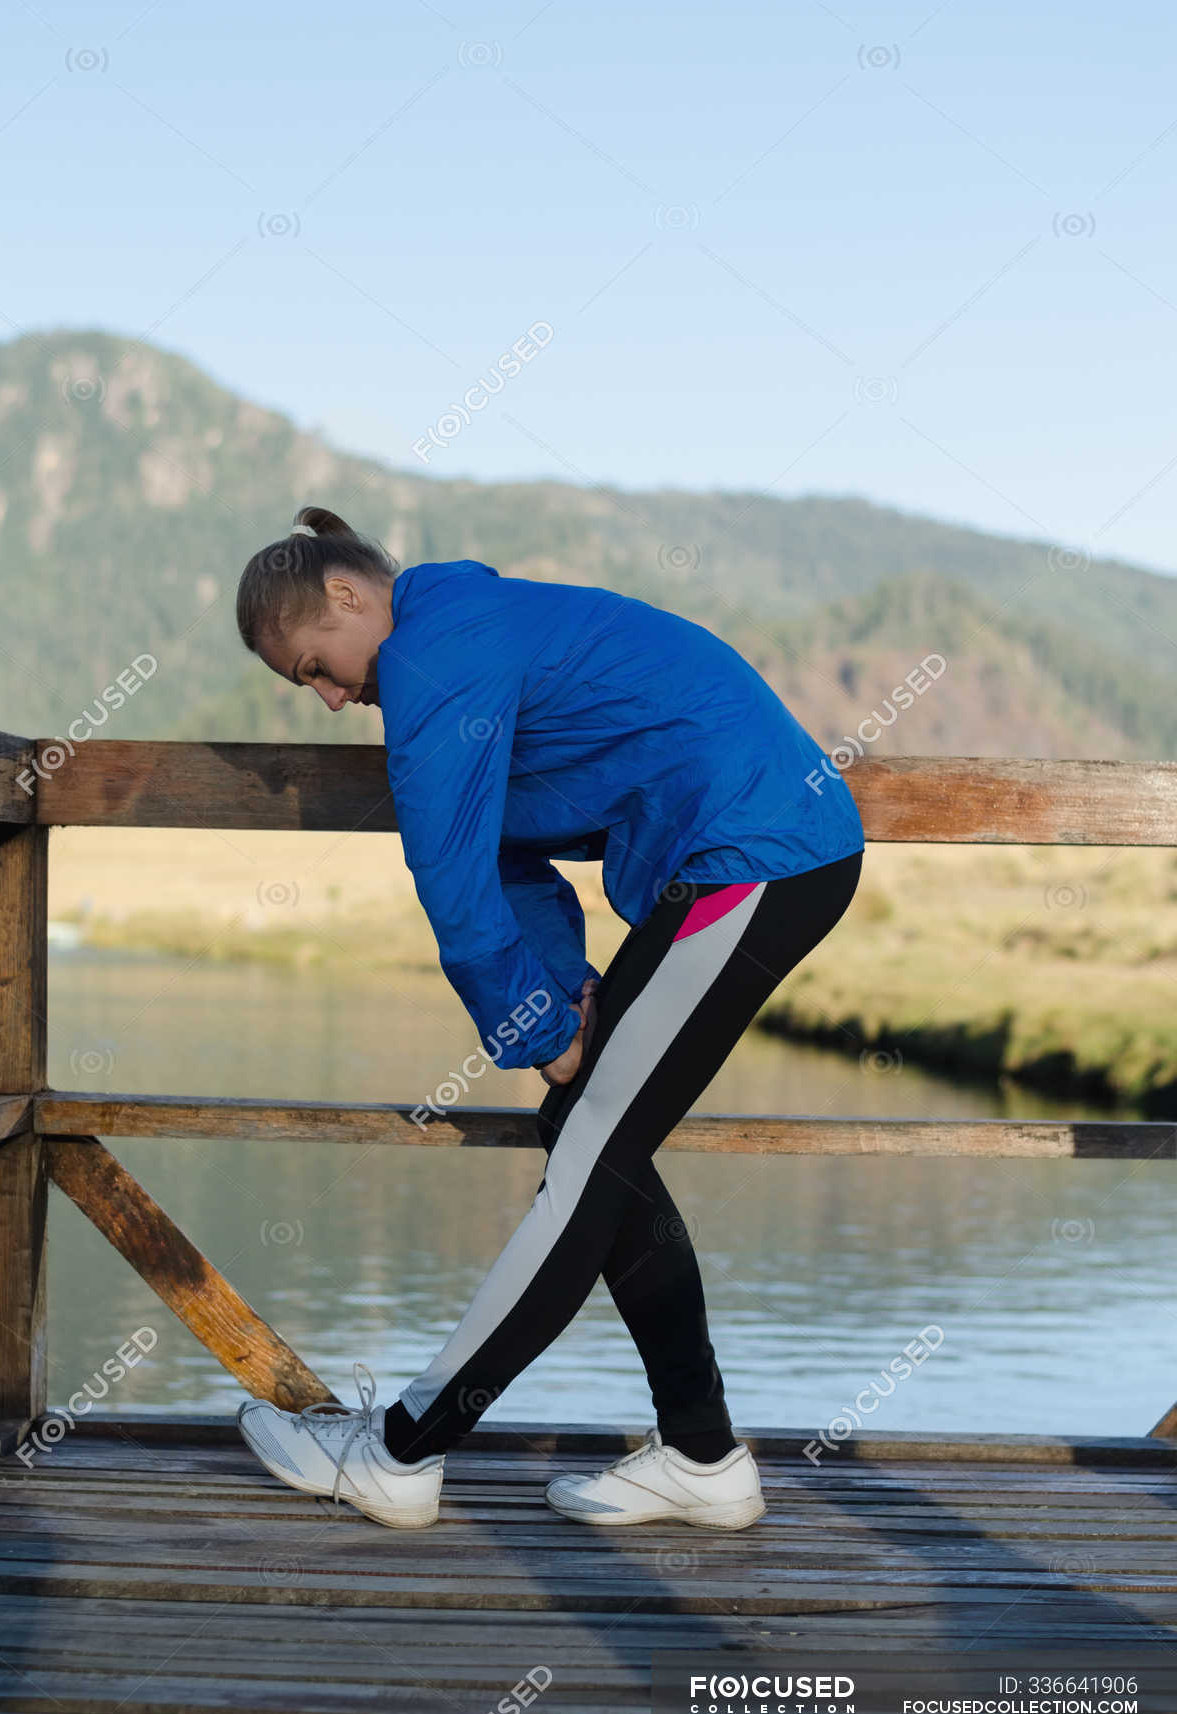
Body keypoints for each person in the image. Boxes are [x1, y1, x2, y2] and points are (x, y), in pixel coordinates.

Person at [232, 506, 865, 1531]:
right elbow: (501, 851)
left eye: (315, 665)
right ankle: (701, 1456)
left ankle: (399, 1450)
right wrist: (561, 1001)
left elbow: (446, 874)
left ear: (347, 597)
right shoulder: (460, 646)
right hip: (745, 863)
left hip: (756, 860)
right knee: (588, 1139)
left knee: (584, 1162)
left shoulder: (440, 653)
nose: (330, 698)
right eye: (306, 685)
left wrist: (535, 1029)